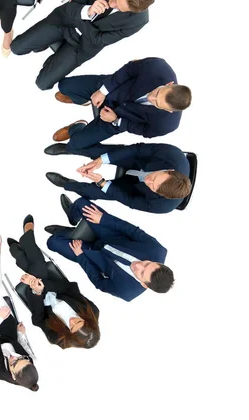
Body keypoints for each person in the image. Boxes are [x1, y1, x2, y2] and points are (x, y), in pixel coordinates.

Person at [10, 0, 156, 90]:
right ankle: (45, 43)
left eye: (119, 8)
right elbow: (70, 8)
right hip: (64, 22)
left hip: (82, 46)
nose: (112, 5)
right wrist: (87, 11)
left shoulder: (139, 20)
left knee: (42, 84)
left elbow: (100, 40)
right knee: (16, 48)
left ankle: (54, 59)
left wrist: (81, 19)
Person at [46, 57, 191, 154]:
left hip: (116, 119)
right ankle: (84, 100)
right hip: (112, 89)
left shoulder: (168, 125)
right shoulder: (158, 67)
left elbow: (144, 131)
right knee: (64, 85)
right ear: (170, 84)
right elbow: (129, 69)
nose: (150, 97)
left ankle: (76, 127)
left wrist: (116, 120)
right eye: (158, 92)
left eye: (156, 103)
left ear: (169, 111)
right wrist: (103, 91)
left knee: (75, 145)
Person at [45, 197, 174, 302]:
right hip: (111, 236)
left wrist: (81, 257)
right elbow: (131, 230)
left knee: (52, 242)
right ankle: (73, 218)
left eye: (141, 274)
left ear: (144, 285)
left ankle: (67, 233)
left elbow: (99, 282)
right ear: (158, 263)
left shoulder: (126, 292)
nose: (138, 265)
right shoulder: (157, 250)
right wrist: (103, 219)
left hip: (91, 255)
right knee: (81, 203)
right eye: (147, 264)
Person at [8, 215, 100, 349]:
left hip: (36, 298)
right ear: (87, 320)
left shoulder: (59, 339)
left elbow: (38, 319)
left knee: (37, 266)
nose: (72, 321)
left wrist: (36, 291)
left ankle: (27, 238)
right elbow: (70, 289)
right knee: (38, 266)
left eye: (72, 327)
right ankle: (17, 250)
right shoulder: (92, 311)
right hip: (55, 284)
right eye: (78, 320)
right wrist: (43, 284)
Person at [45, 142, 192, 214]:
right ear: (170, 170)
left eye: (154, 187)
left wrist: (101, 182)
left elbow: (130, 202)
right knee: (103, 152)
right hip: (138, 160)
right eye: (155, 178)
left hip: (133, 190)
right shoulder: (173, 155)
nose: (149, 181)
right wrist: (101, 160)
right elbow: (137, 149)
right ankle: (70, 149)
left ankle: (67, 184)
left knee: (93, 192)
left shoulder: (162, 206)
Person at [0, 235, 38, 389]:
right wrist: (21, 334)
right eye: (21, 358)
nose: (14, 357)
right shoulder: (30, 359)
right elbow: (24, 346)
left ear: (13, 376)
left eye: (14, 363)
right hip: (7, 324)